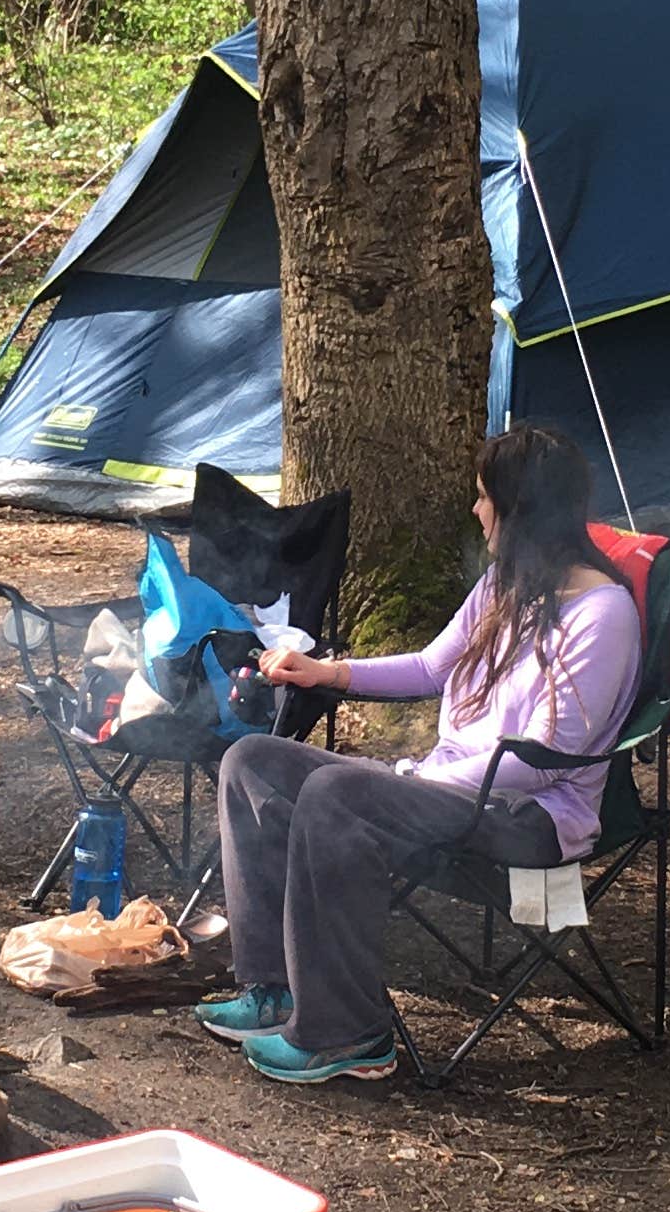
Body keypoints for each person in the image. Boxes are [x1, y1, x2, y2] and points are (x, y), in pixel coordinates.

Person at [199, 424, 646, 1087]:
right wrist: (324, 672)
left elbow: (547, 754)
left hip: (530, 815)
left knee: (335, 796)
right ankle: (277, 988)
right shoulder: (508, 586)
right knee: (253, 765)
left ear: (518, 508)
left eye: (483, 497)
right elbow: (434, 666)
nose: (475, 510)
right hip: (454, 792)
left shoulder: (602, 614)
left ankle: (348, 1034)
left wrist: (420, 780)